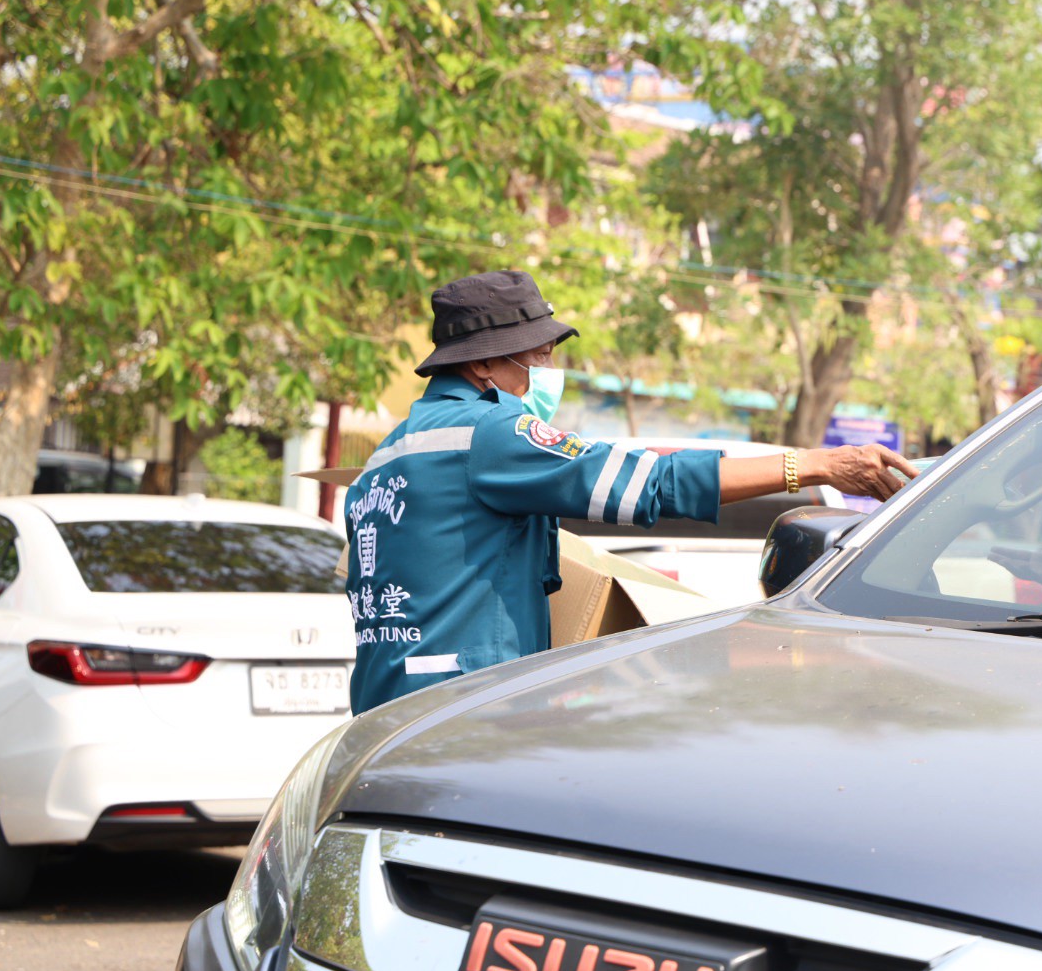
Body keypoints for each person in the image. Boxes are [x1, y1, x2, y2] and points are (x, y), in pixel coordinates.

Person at [343, 269, 918, 713]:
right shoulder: (491, 433)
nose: (546, 367)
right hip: (467, 705)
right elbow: (652, 484)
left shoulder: (387, 455)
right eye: (538, 355)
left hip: (383, 704)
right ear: (486, 363)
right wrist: (813, 465)